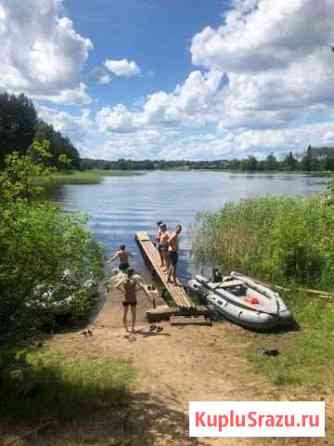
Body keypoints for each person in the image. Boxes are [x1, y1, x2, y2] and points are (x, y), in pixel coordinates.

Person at [115, 268, 153, 333]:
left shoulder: (123, 279)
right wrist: (136, 290)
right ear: (132, 273)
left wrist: (123, 291)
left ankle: (126, 329)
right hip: (133, 299)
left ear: (127, 273)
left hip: (125, 299)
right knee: (133, 315)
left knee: (125, 314)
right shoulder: (134, 280)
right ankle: (132, 328)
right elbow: (141, 286)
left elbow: (116, 286)